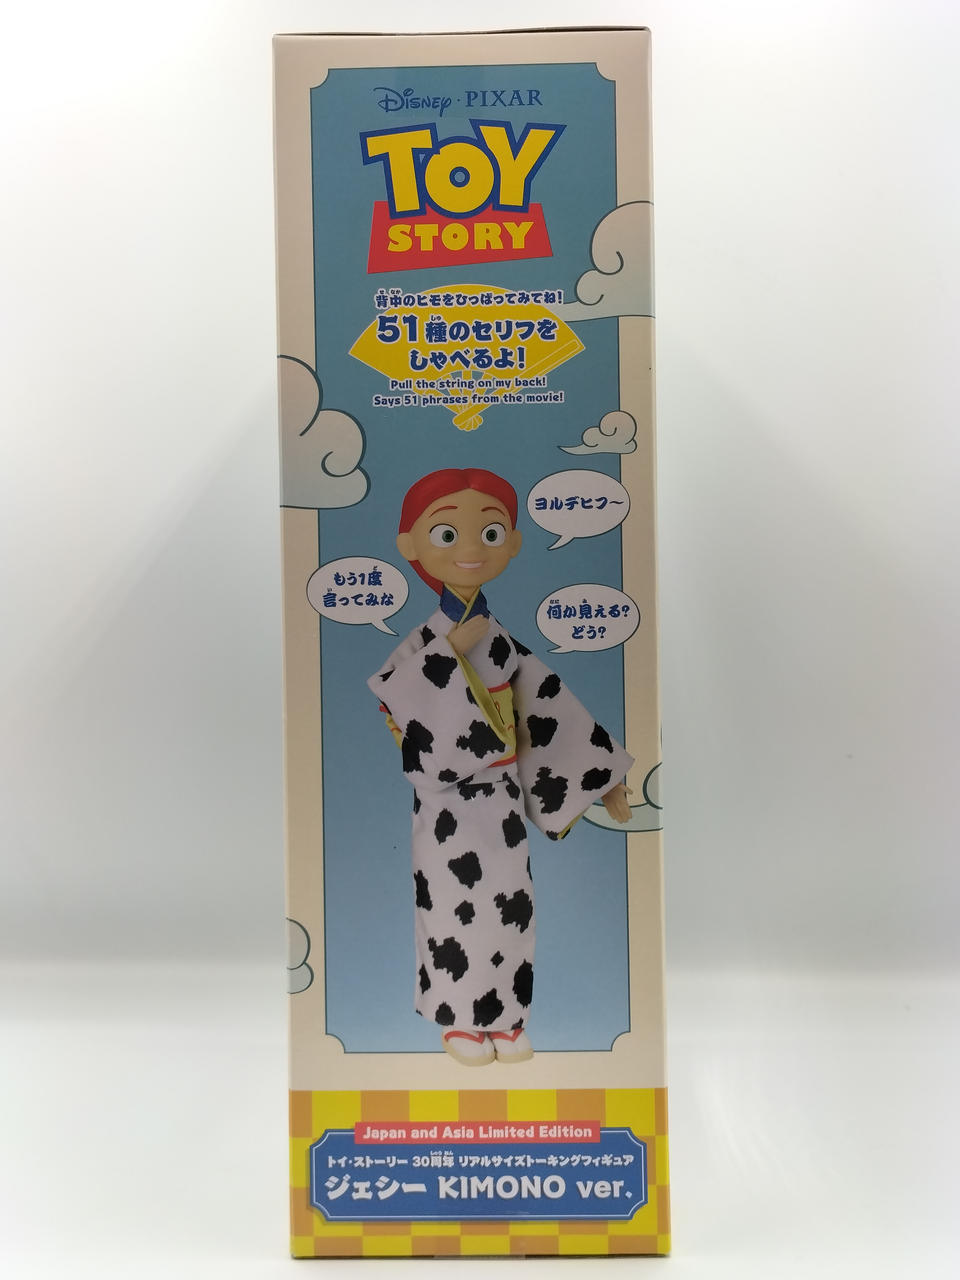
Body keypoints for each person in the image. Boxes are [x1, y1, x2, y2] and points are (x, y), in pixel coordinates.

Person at [368, 468, 633, 1066]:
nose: (469, 548)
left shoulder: (502, 642)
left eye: (489, 533)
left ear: (511, 542)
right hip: (445, 805)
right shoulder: (424, 643)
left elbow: (547, 706)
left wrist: (603, 778)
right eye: (447, 534)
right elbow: (392, 692)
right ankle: (459, 1021)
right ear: (410, 544)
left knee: (511, 906)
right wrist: (447, 655)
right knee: (449, 906)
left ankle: (506, 1018)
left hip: (502, 801)